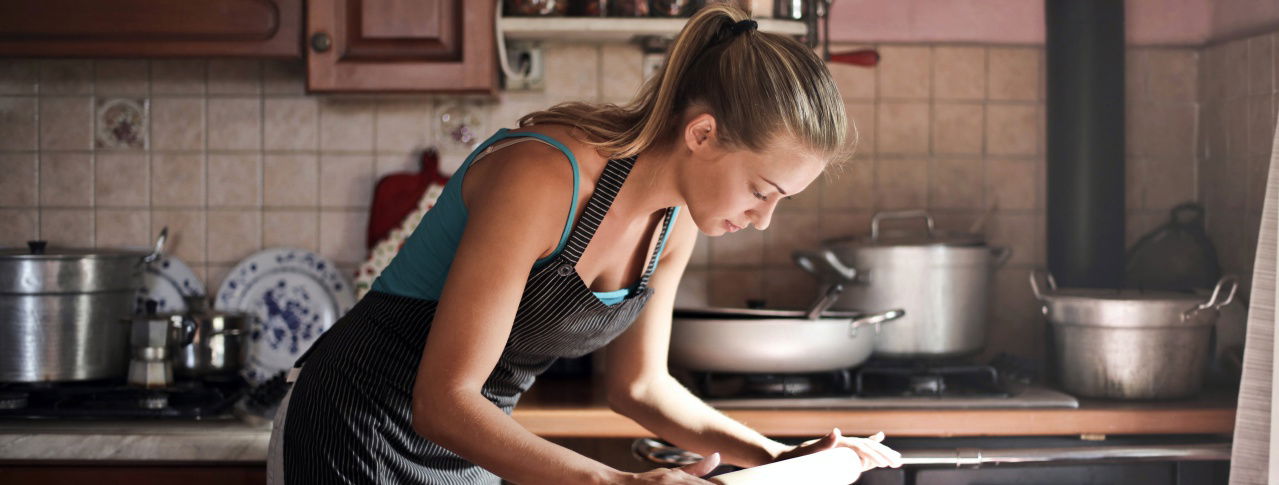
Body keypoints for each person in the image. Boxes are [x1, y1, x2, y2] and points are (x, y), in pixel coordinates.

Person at [267, 3, 903, 484]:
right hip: (354, 425)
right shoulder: (544, 175)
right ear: (702, 134)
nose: (763, 218)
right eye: (761, 190)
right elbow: (443, 401)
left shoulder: (676, 221)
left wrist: (779, 458)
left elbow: (641, 388)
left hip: (471, 437)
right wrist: (612, 481)